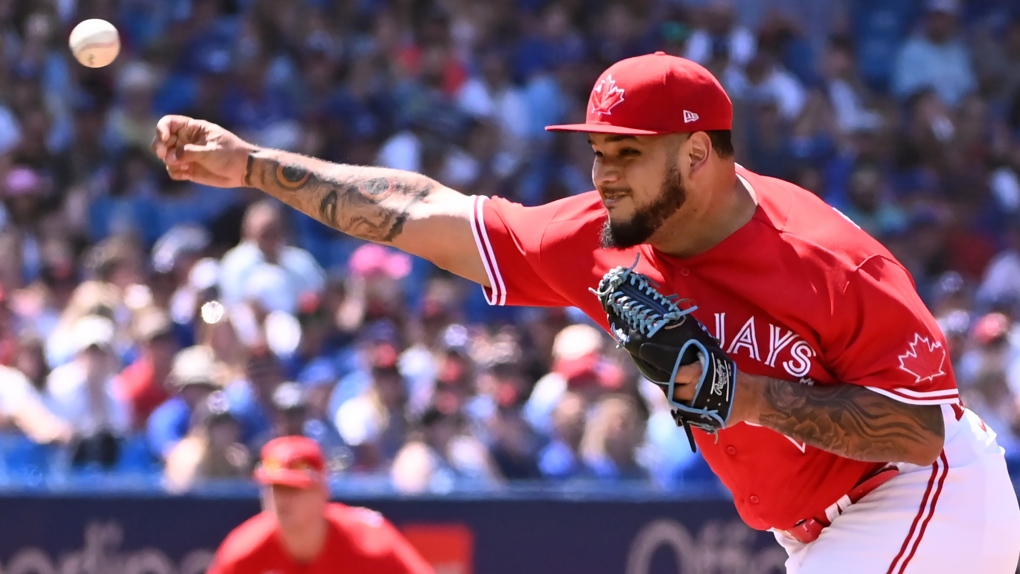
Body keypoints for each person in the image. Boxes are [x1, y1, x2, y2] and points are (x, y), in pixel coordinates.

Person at [153, 52, 1020, 572]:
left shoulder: (831, 258)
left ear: (697, 154)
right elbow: (423, 212)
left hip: (921, 498)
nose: (603, 174)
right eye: (598, 151)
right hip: (818, 530)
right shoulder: (601, 235)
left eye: (626, 155)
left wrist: (745, 396)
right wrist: (258, 166)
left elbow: (919, 437)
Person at [206, 435, 433, 574]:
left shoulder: (370, 544)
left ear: (322, 491)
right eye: (275, 488)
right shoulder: (244, 551)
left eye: (294, 488)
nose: (282, 499)